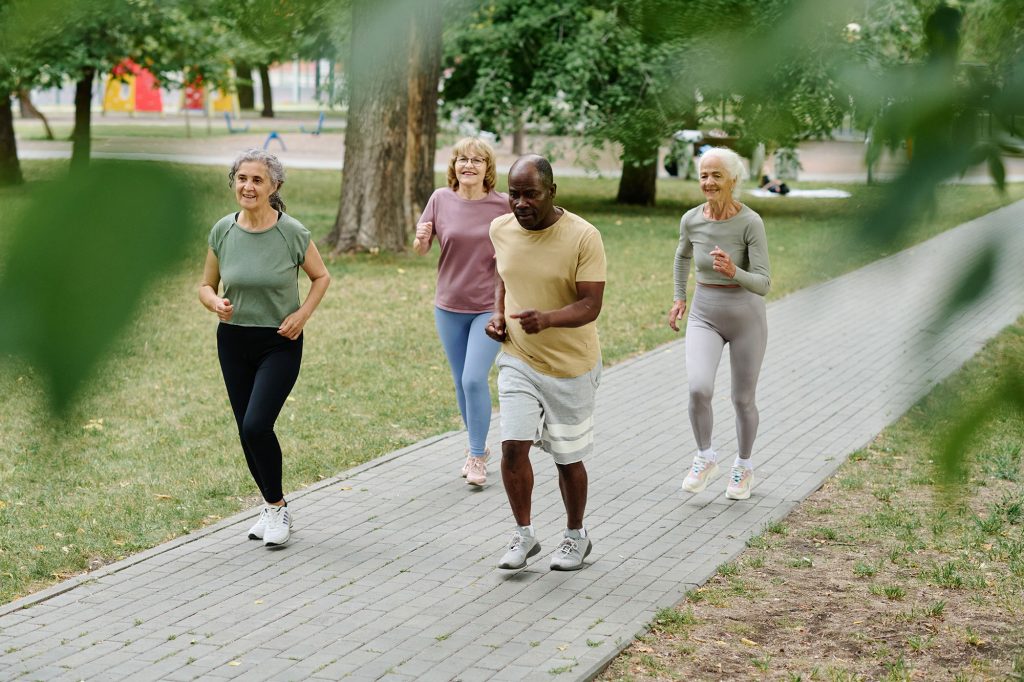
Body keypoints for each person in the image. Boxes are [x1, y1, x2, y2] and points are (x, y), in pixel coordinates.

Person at [199, 149, 331, 547]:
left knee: (257, 424)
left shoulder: (292, 232)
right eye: (242, 178)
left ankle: (277, 508)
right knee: (246, 430)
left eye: (257, 180)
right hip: (234, 340)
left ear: (274, 186)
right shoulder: (223, 230)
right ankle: (272, 506)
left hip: (279, 341)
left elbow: (321, 277)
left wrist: (302, 315)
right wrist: (214, 303)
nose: (248, 186)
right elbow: (206, 285)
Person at [485, 155, 606, 571]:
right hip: (519, 358)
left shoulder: (583, 236)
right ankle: (524, 535)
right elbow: (503, 275)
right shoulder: (500, 229)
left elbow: (591, 304)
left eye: (530, 194)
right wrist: (499, 316)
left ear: (552, 192)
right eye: (513, 194)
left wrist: (548, 319)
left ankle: (576, 536)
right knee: (512, 447)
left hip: (572, 366)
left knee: (567, 457)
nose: (519, 203)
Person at [668, 147, 771, 501]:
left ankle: (743, 466)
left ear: (733, 180)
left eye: (716, 175)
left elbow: (764, 283)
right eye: (703, 175)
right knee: (698, 388)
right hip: (704, 314)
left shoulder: (750, 222)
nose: (708, 182)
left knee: (743, 399)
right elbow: (682, 256)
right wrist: (679, 297)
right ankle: (705, 456)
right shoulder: (691, 219)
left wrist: (734, 271)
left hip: (746, 318)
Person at [413, 138, 509, 487]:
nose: (468, 165)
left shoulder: (503, 206)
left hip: (488, 306)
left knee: (473, 378)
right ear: (454, 167)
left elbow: (522, 246)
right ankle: (478, 448)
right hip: (448, 305)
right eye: (462, 160)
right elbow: (422, 248)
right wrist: (422, 239)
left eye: (477, 160)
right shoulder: (440, 199)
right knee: (460, 381)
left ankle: (476, 456)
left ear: (488, 168)